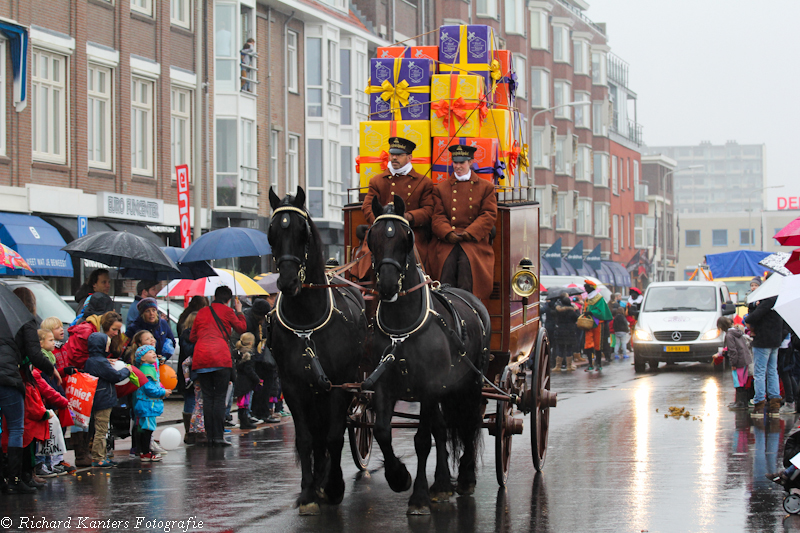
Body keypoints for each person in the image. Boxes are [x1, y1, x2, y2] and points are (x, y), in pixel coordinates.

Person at [0, 288, 59, 494]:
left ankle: (2, 479)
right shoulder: (22, 319)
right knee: (16, 428)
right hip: (9, 378)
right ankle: (15, 480)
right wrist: (51, 369)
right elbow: (34, 353)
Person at [430, 144, 497, 299]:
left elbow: (488, 214)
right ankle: (443, 303)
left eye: (462, 162)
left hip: (473, 240)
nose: (458, 166)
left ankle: (470, 305)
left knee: (468, 267)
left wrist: (469, 233)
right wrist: (448, 233)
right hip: (448, 239)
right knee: (446, 266)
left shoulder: (485, 187)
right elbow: (437, 216)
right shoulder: (442, 188)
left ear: (471, 162)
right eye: (455, 162)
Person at [361, 136, 435, 271]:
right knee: (366, 256)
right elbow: (367, 207)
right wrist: (381, 222)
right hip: (380, 232)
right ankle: (365, 286)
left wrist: (408, 217)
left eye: (399, 155)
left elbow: (428, 210)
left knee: (415, 255)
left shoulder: (423, 182)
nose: (394, 158)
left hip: (409, 231)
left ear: (409, 157)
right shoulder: (377, 181)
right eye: (392, 154)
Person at [190, 286, 247, 447]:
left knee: (208, 398)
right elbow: (242, 328)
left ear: (214, 296)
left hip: (201, 357)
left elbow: (192, 336)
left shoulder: (202, 312)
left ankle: (210, 437)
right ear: (229, 299)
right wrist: (239, 311)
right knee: (220, 398)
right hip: (220, 358)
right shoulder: (228, 311)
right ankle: (219, 436)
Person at [83, 332, 131, 468]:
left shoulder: (92, 360)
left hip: (99, 398)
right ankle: (98, 457)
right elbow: (115, 376)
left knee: (102, 428)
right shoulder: (100, 362)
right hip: (103, 399)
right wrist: (127, 370)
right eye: (107, 344)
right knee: (102, 429)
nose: (109, 347)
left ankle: (102, 455)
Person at [33, 329, 74, 478]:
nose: (53, 343)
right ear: (40, 343)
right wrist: (60, 399)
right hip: (44, 403)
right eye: (50, 340)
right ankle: (41, 464)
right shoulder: (40, 362)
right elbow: (46, 386)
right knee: (44, 436)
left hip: (51, 401)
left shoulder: (50, 359)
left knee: (50, 435)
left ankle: (49, 463)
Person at [745, 294, 784, 417]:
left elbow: (751, 318)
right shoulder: (780, 300)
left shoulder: (767, 301)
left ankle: (759, 403)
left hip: (763, 341)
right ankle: (774, 403)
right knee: (772, 371)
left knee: (760, 372)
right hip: (775, 341)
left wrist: (753, 307)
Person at [133, 345, 171, 462]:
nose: (153, 354)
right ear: (142, 358)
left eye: (153, 351)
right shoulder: (146, 370)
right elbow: (149, 389)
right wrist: (162, 392)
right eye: (149, 352)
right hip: (148, 404)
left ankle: (144, 452)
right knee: (148, 428)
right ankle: (146, 453)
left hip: (147, 404)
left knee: (145, 427)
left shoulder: (149, 367)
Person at [718, 316, 753, 410]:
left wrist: (733, 364)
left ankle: (740, 402)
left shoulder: (729, 335)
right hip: (745, 360)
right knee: (743, 381)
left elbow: (733, 351)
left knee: (738, 382)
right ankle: (741, 402)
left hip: (738, 361)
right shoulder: (737, 332)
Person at [582, 280, 612, 372]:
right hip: (588, 324)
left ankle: (598, 364)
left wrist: (591, 312)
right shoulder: (587, 299)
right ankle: (590, 364)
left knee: (598, 344)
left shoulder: (599, 299)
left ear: (591, 288)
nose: (585, 290)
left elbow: (601, 312)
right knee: (588, 344)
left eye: (587, 288)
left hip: (598, 324)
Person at [233, 333, 261, 429]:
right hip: (246, 382)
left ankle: (244, 420)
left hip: (239, 380)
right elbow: (249, 370)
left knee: (242, 402)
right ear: (250, 342)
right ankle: (244, 421)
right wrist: (257, 379)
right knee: (245, 402)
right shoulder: (249, 355)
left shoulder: (237, 352)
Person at [552, 294, 579, 372]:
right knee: (569, 348)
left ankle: (558, 366)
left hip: (560, 330)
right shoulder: (571, 311)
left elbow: (553, 315)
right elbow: (578, 317)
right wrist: (576, 310)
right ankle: (569, 366)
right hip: (570, 331)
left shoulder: (558, 311)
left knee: (560, 348)